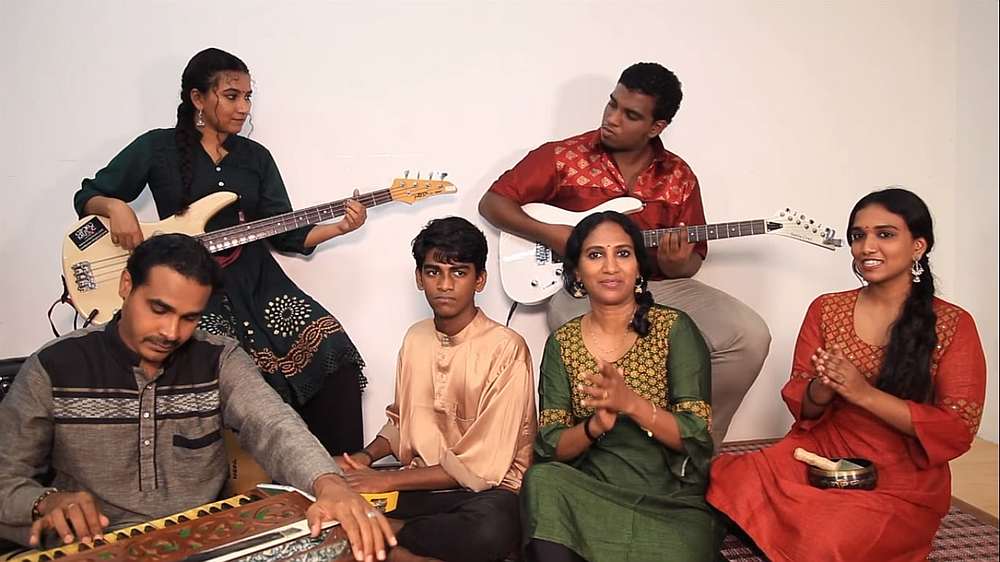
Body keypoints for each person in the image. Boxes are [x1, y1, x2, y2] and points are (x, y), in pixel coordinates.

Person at [0, 234, 395, 562]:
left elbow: (274, 424)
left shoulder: (219, 357)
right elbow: (5, 476)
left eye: (189, 317)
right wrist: (45, 503)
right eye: (158, 309)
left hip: (204, 540)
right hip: (94, 548)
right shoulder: (54, 366)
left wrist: (329, 484)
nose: (171, 332)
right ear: (125, 286)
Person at [72, 48, 366, 455]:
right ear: (198, 98)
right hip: (192, 292)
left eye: (248, 97)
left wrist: (339, 227)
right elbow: (88, 195)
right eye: (232, 96)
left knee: (333, 353)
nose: (244, 107)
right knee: (233, 372)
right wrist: (115, 206)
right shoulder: (156, 148)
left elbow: (285, 234)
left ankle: (343, 476)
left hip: (259, 284)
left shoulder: (256, 158)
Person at [479, 61, 769, 447]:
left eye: (629, 115)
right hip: (582, 289)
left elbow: (692, 261)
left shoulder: (678, 177)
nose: (612, 119)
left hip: (653, 286)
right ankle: (607, 453)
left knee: (748, 335)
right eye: (611, 104)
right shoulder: (565, 156)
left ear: (656, 126)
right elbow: (494, 203)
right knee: (583, 334)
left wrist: (676, 262)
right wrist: (556, 236)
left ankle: (695, 446)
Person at [707, 188, 987, 561]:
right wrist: (823, 388)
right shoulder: (827, 308)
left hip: (899, 477)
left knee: (825, 542)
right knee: (721, 478)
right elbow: (803, 406)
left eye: (885, 234)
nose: (867, 246)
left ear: (918, 246)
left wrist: (862, 392)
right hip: (820, 453)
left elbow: (957, 428)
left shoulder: (952, 323)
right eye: (858, 236)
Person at [520, 211, 724, 562]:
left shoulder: (674, 328)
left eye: (623, 253)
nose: (610, 266)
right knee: (541, 481)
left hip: (669, 502)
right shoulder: (563, 342)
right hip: (591, 493)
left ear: (639, 268)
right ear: (576, 272)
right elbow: (551, 446)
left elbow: (696, 435)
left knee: (682, 548)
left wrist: (632, 404)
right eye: (595, 255)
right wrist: (595, 425)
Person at [336, 217, 536, 562]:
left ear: (480, 279)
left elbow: (485, 467)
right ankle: (401, 540)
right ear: (419, 277)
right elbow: (402, 421)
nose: (444, 285)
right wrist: (364, 460)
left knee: (490, 527)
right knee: (335, 497)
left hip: (485, 493)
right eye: (433, 272)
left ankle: (390, 537)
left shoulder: (507, 348)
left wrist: (384, 483)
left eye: (458, 272)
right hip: (420, 486)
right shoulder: (416, 338)